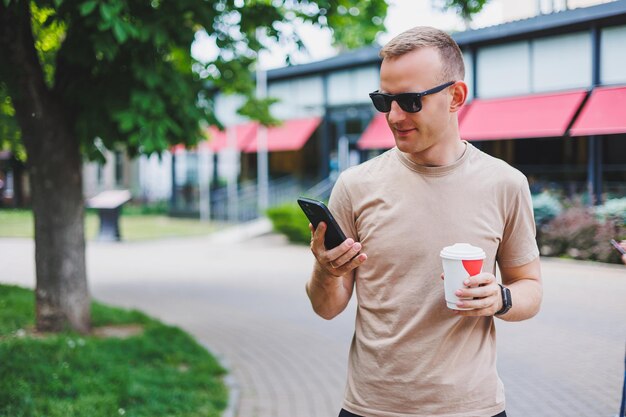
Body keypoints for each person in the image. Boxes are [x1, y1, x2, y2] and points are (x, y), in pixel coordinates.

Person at [305, 26, 542, 417]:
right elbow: (327, 308)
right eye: (385, 101)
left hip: (472, 407)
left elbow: (530, 288)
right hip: (371, 408)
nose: (394, 116)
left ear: (456, 96)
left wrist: (500, 297)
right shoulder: (355, 185)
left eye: (411, 101)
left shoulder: (505, 184)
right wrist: (325, 270)